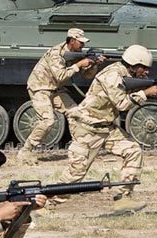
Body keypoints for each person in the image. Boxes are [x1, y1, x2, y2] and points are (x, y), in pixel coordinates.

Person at [58, 44, 157, 213]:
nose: (146, 73)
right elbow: (123, 103)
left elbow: (136, 91)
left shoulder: (124, 74)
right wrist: (146, 93)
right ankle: (45, 205)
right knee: (76, 173)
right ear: (133, 65)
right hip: (88, 128)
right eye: (144, 69)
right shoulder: (112, 75)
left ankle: (123, 199)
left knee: (133, 151)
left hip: (107, 127)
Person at [17, 28, 106, 165]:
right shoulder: (56, 54)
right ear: (71, 41)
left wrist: (94, 64)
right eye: (80, 42)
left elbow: (87, 76)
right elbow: (60, 76)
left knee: (76, 113)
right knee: (48, 121)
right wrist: (78, 65)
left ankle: (79, 150)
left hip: (56, 89)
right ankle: (26, 151)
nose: (83, 45)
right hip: (40, 88)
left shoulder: (76, 54)